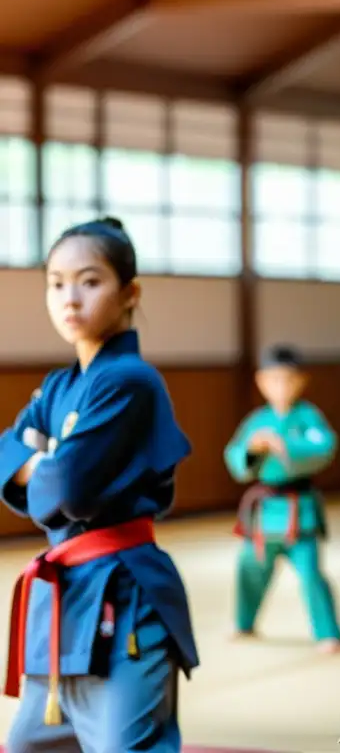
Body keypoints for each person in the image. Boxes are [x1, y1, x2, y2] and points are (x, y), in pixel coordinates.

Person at [0, 217, 198, 752]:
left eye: (89, 281)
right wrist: (45, 466)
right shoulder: (60, 385)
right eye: (56, 282)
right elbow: (4, 451)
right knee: (29, 745)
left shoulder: (129, 380)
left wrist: (43, 464)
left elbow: (68, 493)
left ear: (129, 292)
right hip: (63, 602)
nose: (70, 298)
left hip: (122, 595)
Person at [223, 344, 340, 652]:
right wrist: (253, 451)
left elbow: (324, 447)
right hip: (264, 513)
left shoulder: (308, 416)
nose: (280, 386)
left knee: (310, 574)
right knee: (249, 568)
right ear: (261, 381)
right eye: (273, 379)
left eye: (287, 379)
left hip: (298, 509)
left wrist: (284, 445)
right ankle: (243, 622)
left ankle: (328, 632)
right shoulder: (257, 421)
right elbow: (235, 455)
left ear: (301, 381)